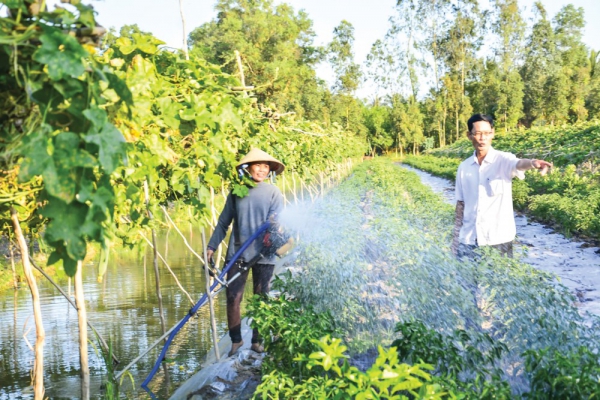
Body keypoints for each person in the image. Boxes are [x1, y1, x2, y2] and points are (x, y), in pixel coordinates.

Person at [206, 148, 285, 357]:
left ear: (270, 171)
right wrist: (211, 247)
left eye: (266, 166)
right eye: (257, 165)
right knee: (233, 297)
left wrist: (275, 226)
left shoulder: (274, 193)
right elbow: (223, 222)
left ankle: (257, 341)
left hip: (264, 253)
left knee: (261, 298)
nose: (261, 170)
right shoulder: (237, 191)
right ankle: (235, 340)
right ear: (248, 168)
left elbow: (278, 223)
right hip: (238, 252)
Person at [451, 114, 552, 259]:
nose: (482, 138)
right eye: (478, 133)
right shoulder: (464, 167)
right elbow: (461, 204)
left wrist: (532, 163)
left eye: (487, 133)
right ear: (469, 135)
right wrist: (456, 239)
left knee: (499, 280)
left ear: (492, 133)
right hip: (468, 239)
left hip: (498, 240)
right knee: (466, 282)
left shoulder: (503, 160)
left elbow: (517, 163)